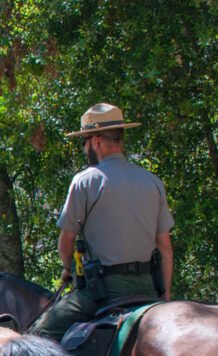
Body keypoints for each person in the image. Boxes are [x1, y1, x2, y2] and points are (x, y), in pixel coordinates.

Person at [29, 103, 174, 341]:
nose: (85, 148)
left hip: (103, 291)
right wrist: (165, 296)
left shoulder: (85, 182)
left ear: (95, 141)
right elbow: (165, 249)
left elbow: (66, 243)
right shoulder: (152, 181)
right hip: (148, 289)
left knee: (38, 337)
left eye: (83, 142)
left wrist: (68, 269)